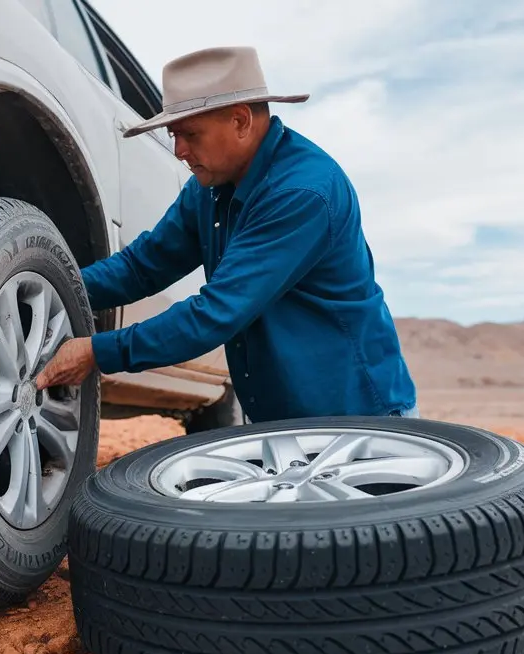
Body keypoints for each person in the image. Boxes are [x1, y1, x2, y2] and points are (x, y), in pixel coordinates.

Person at [35, 46, 417, 422]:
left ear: (240, 121)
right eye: (172, 135)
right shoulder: (209, 187)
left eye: (190, 134)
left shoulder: (301, 193)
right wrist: (55, 284)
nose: (179, 150)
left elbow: (215, 314)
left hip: (358, 421)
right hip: (280, 419)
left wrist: (97, 352)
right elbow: (142, 267)